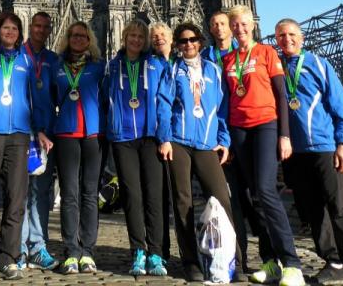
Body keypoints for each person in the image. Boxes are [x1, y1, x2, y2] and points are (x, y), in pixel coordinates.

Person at [0, 11, 52, 282]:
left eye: (15, 28)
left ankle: (8, 257)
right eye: (6, 27)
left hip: (19, 136)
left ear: (19, 33)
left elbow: (34, 98)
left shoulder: (26, 61)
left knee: (16, 199)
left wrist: (39, 130)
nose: (10, 32)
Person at [157, 22, 245, 283]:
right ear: (177, 45)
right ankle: (191, 261)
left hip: (206, 144)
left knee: (222, 199)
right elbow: (164, 104)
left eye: (193, 39)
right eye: (183, 41)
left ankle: (234, 261)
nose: (188, 44)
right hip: (179, 142)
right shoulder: (172, 69)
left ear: (200, 42)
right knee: (182, 202)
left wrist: (224, 140)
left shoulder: (213, 70)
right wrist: (165, 138)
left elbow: (222, 109)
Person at [223, 5, 304, 286]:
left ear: (253, 25)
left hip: (265, 124)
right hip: (239, 128)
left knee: (266, 191)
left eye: (244, 23)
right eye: (235, 24)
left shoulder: (267, 52)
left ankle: (292, 263)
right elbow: (228, 99)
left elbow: (281, 95)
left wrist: (285, 135)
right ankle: (270, 262)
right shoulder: (229, 59)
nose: (240, 29)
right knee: (254, 195)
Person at [275, 18, 343, 286]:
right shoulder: (275, 67)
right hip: (295, 152)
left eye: (291, 34)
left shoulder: (318, 64)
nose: (287, 39)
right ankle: (333, 262)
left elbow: (339, 105)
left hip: (324, 146)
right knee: (313, 210)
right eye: (281, 35)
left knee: (340, 208)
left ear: (301, 38)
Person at [105, 20, 167, 276]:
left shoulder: (155, 64)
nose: (136, 40)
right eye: (132, 35)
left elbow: (164, 99)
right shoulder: (112, 66)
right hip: (123, 138)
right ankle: (138, 251)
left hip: (150, 137)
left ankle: (156, 253)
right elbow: (104, 98)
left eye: (141, 36)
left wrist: (164, 136)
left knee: (154, 196)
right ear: (124, 37)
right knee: (132, 196)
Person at [203, 11, 257, 272]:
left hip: (246, 132)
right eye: (214, 24)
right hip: (218, 137)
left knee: (256, 198)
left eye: (223, 23)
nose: (219, 28)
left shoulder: (249, 54)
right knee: (227, 201)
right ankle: (237, 258)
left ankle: (272, 257)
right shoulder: (205, 57)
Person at [53, 21, 105, 275]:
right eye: (74, 35)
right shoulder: (56, 66)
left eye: (83, 36)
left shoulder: (99, 67)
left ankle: (88, 251)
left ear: (89, 39)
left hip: (93, 135)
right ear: (68, 38)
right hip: (66, 134)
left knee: (90, 194)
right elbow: (48, 98)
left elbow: (107, 98)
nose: (78, 39)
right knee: (70, 194)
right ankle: (71, 250)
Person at [19, 11, 59, 271]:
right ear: (30, 27)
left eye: (45, 27)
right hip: (20, 134)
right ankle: (18, 247)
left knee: (41, 193)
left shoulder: (52, 60)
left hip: (46, 136)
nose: (41, 30)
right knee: (19, 193)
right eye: (37, 26)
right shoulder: (16, 56)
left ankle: (38, 245)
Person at [149, 21, 175, 263]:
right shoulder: (149, 63)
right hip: (158, 136)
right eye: (154, 36)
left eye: (163, 35)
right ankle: (159, 249)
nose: (159, 39)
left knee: (181, 197)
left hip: (185, 135)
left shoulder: (183, 61)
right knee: (158, 195)